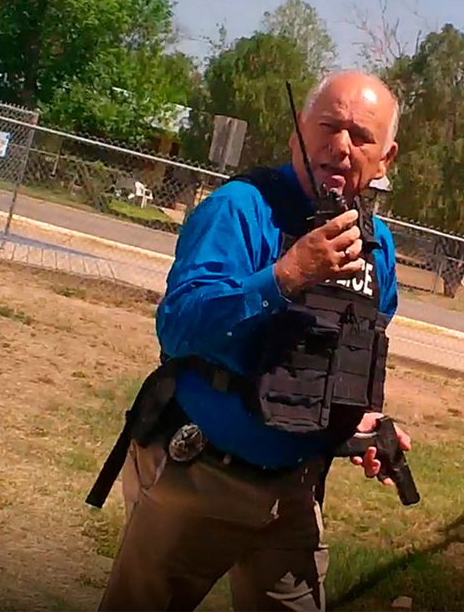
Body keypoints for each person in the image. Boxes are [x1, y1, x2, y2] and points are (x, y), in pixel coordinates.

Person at [98, 70, 410, 612]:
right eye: (328, 126)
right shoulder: (240, 209)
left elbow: (338, 356)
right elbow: (179, 324)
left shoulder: (377, 245)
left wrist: (357, 418)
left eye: (361, 136)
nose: (340, 146)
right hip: (202, 475)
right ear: (297, 135)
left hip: (295, 493)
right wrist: (285, 276)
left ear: (385, 158)